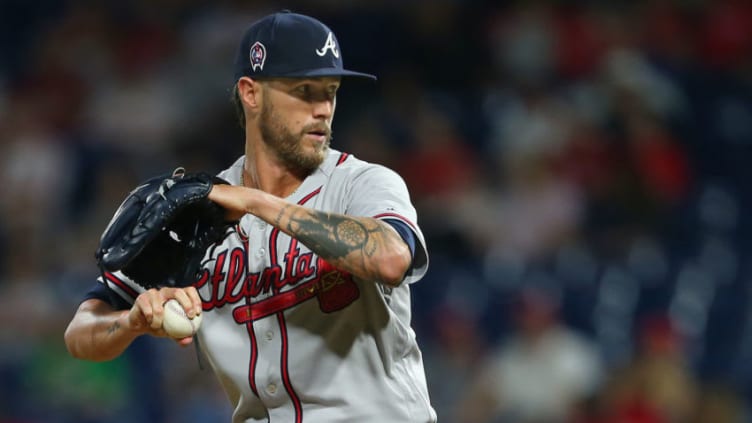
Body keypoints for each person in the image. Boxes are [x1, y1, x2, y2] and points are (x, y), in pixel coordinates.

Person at [64, 11, 436, 423]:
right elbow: (81, 334)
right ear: (251, 93)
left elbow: (391, 257)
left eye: (330, 91)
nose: (323, 109)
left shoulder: (361, 184)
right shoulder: (198, 211)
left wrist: (255, 202)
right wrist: (133, 320)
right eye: (304, 90)